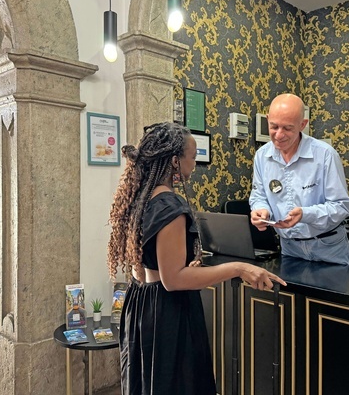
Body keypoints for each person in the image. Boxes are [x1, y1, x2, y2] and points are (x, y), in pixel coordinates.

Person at [107, 122, 286, 395]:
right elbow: (174, 280)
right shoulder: (170, 206)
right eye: (193, 156)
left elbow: (155, 262)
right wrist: (238, 268)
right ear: (175, 161)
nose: (195, 162)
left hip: (141, 302)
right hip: (166, 312)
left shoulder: (139, 196)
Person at [249, 93, 349, 265]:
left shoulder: (325, 155)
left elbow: (341, 207)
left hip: (328, 246)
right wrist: (261, 210)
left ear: (303, 125)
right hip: (289, 248)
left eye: (287, 128)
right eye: (274, 127)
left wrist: (305, 214)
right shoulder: (261, 156)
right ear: (267, 120)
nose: (279, 135)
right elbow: (259, 195)